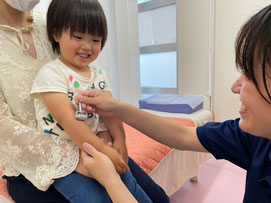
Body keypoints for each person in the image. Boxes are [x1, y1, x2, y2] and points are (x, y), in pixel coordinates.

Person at [76, 4, 271, 203]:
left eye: (249, 75)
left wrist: (111, 182)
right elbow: (182, 135)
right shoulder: (258, 137)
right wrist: (117, 107)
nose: (235, 86)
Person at [0, 0, 169, 202]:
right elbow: (63, 119)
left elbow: (108, 105)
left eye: (96, 40)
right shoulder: (52, 65)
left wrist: (117, 140)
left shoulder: (51, 22)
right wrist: (83, 153)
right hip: (38, 161)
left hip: (92, 143)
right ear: (57, 34)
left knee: (158, 198)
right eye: (79, 37)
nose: (87, 46)